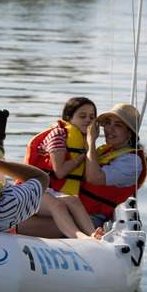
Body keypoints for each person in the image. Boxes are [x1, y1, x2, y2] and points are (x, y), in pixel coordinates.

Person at [23, 97, 101, 238]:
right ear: (68, 118)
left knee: (73, 201)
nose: (88, 120)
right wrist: (83, 156)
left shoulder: (84, 141)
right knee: (58, 205)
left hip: (53, 192)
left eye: (92, 117)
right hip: (34, 189)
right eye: (82, 116)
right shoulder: (58, 135)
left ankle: (94, 234)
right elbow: (60, 171)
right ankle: (80, 236)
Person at [80, 102, 147, 227]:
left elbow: (93, 178)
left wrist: (91, 142)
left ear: (130, 134)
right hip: (76, 209)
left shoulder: (131, 162)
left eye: (118, 125)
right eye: (107, 123)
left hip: (92, 218)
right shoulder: (107, 150)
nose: (109, 129)